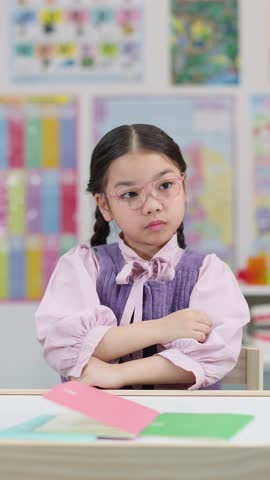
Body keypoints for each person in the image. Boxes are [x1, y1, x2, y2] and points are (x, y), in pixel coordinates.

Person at [35, 124, 250, 390]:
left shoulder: (210, 273)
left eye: (165, 185)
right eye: (130, 194)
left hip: (185, 425)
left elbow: (209, 358)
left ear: (184, 188)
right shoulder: (82, 267)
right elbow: (67, 348)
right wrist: (164, 329)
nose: (152, 205)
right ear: (104, 205)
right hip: (97, 422)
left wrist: (118, 374)